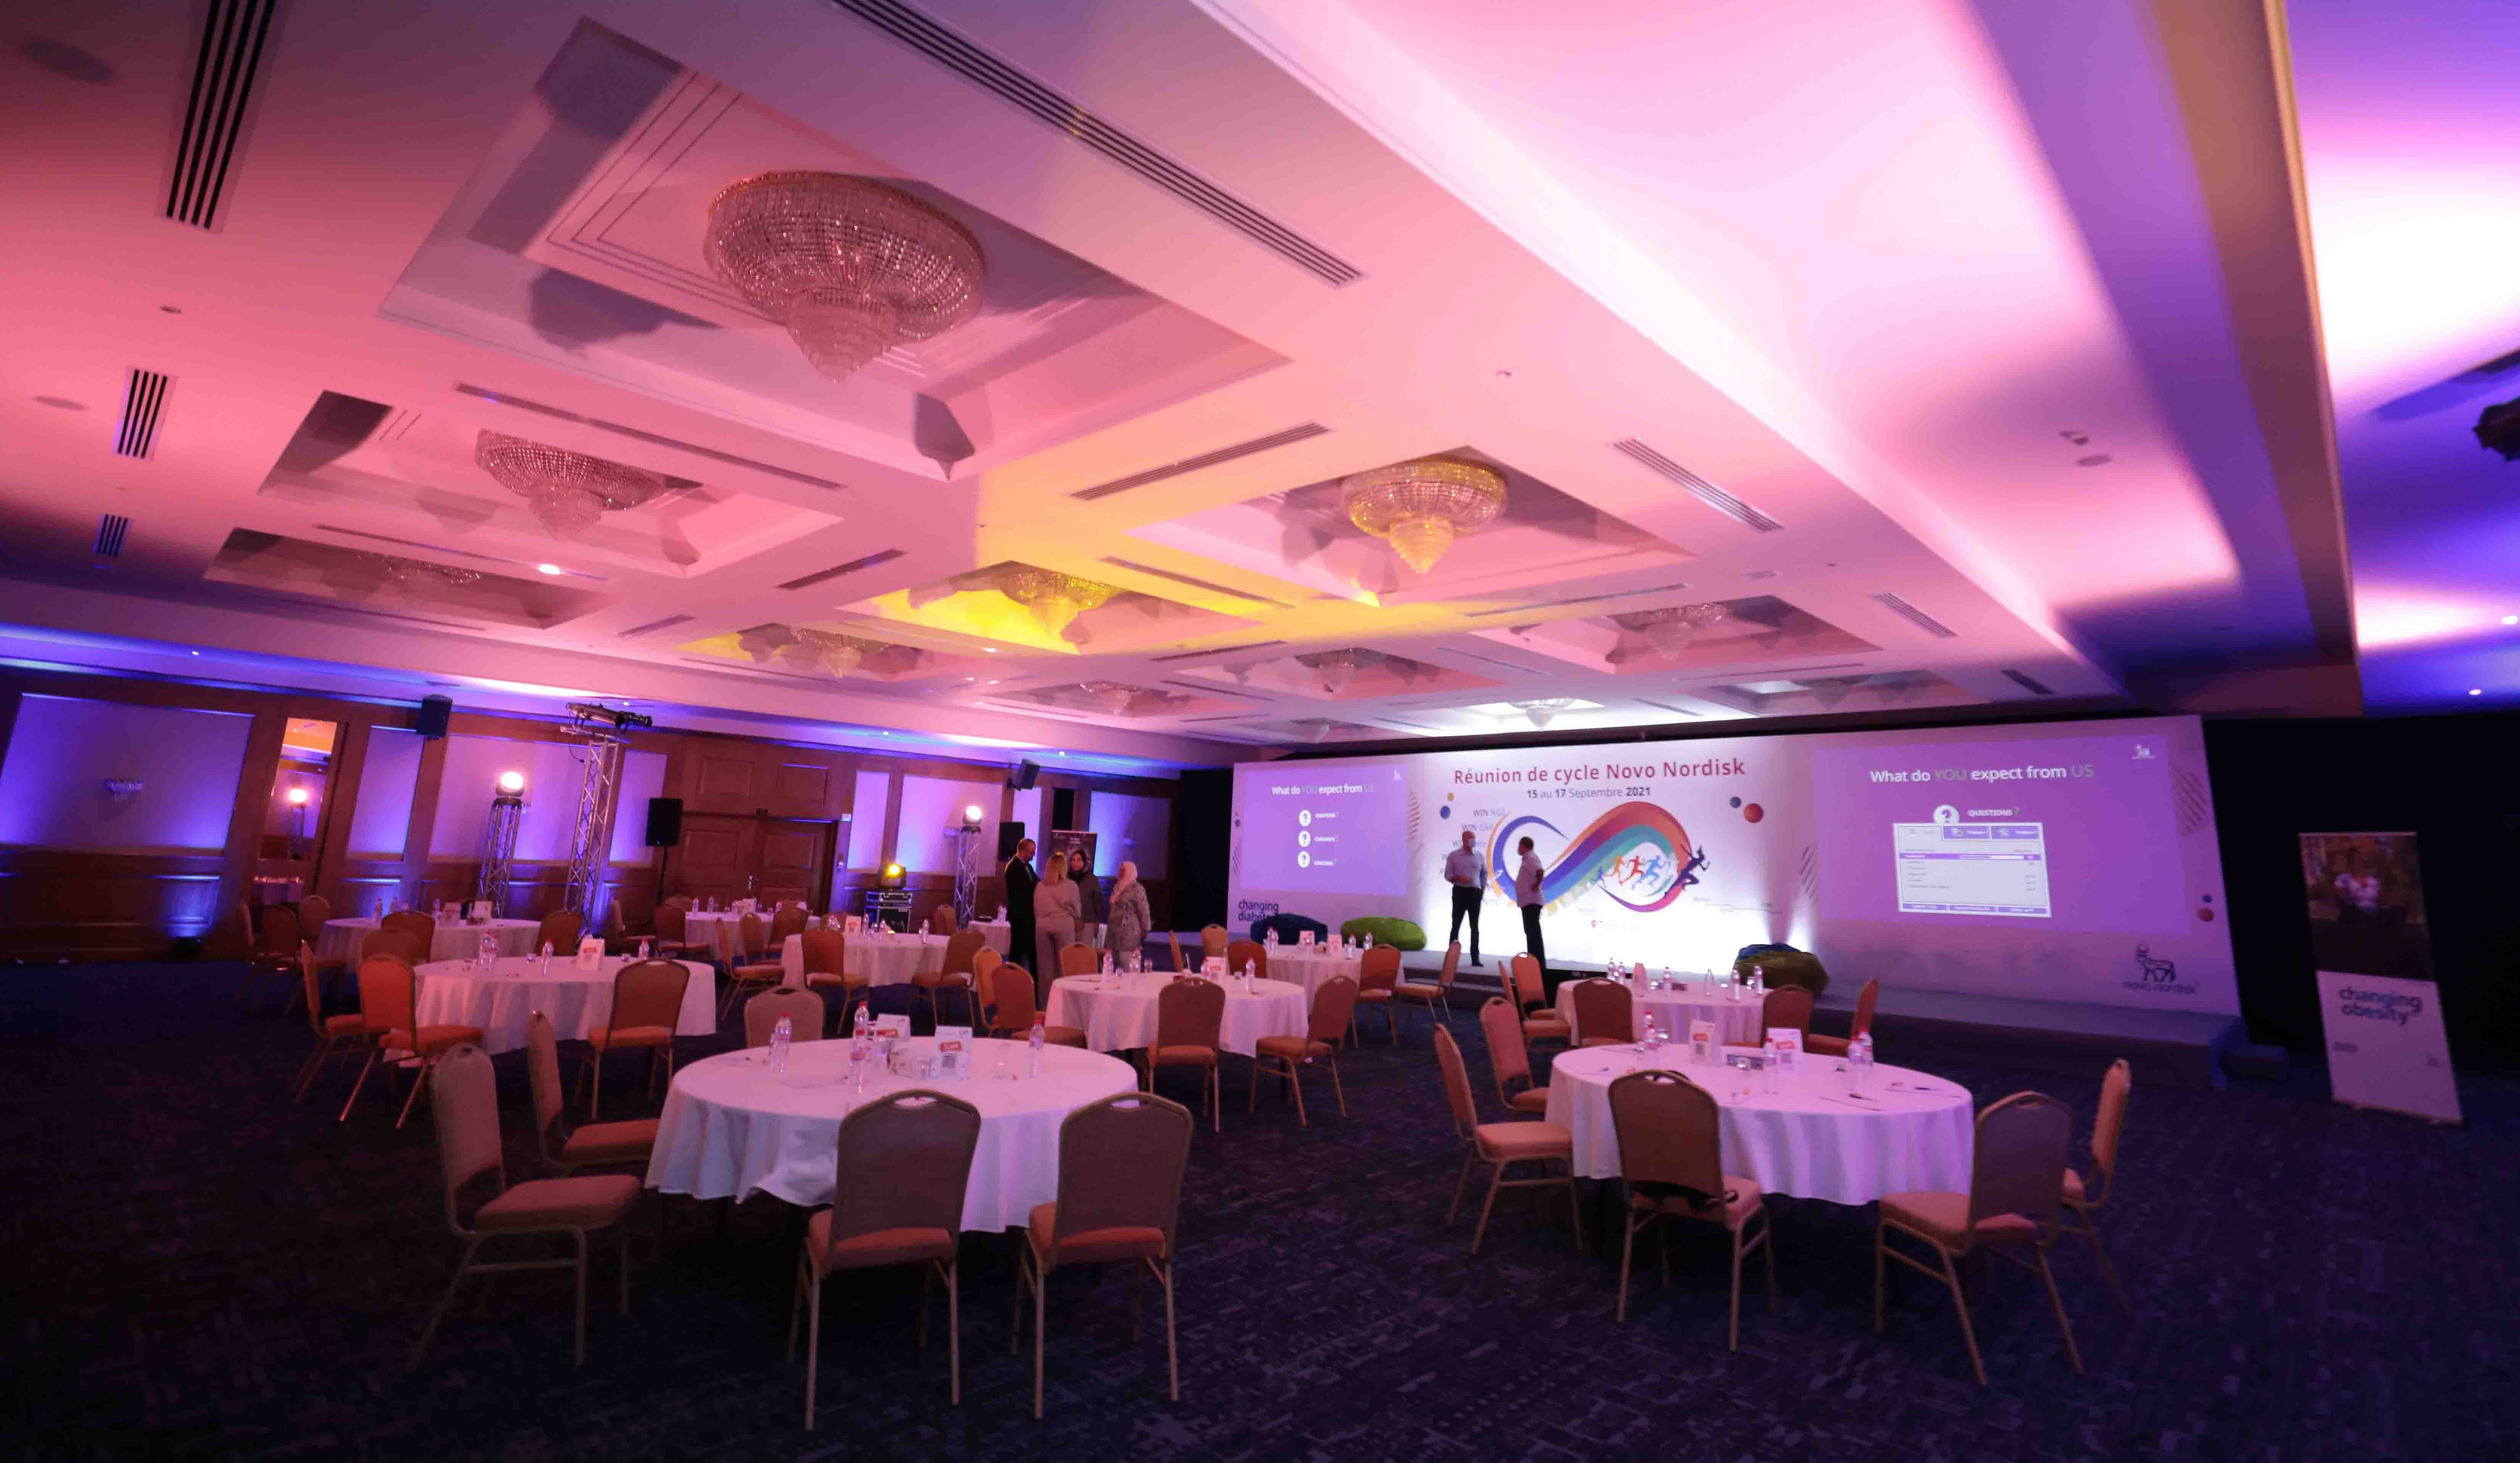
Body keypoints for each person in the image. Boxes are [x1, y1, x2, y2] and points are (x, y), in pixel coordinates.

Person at [1033, 854, 1080, 1001]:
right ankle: (1063, 1003)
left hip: (1042, 925)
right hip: (1063, 924)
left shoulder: (1040, 886)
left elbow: (1036, 909)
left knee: (1044, 968)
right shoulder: (1071, 886)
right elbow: (1077, 909)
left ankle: (1045, 1005)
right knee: (1064, 965)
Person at [1515, 835, 1552, 999]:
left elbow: (1540, 872)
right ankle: (1535, 961)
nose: (1518, 848)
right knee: (1531, 932)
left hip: (1532, 901)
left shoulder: (1531, 858)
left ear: (1524, 846)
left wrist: (1537, 886)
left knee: (1533, 933)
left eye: (1519, 845)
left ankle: (1537, 963)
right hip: (1528, 902)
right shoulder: (1527, 859)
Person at [1443, 827, 1485, 966]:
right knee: (1456, 925)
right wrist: (1460, 879)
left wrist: (1482, 889)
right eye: (1471, 838)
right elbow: (1448, 875)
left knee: (1475, 927)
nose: (1474, 841)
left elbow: (1484, 873)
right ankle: (1451, 959)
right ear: (1464, 840)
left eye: (1474, 838)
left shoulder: (1479, 855)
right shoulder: (1454, 856)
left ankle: (1475, 959)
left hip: (1475, 893)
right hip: (1460, 892)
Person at [1003, 837, 1039, 983]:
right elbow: (1026, 889)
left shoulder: (1028, 867)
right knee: (1018, 952)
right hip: (1020, 917)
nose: (1034, 855)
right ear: (1023, 851)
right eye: (1032, 852)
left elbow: (1037, 883)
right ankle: (1013, 982)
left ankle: (1029, 982)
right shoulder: (1013, 867)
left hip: (1029, 917)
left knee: (1029, 952)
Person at [1105, 859, 1151, 972]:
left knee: (1126, 965)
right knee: (1113, 967)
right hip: (1114, 933)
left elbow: (1144, 910)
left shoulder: (1137, 889)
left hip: (1128, 933)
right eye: (1120, 870)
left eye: (1123, 870)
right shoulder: (1117, 887)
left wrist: (1145, 929)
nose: (1120, 873)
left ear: (1130, 872)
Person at [1068, 847, 1103, 934]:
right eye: (1073, 860)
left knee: (1085, 943)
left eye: (1079, 860)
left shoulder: (1092, 879)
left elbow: (1098, 902)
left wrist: (1097, 922)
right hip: (1068, 921)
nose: (1075, 863)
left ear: (1085, 863)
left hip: (1087, 922)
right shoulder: (1066, 878)